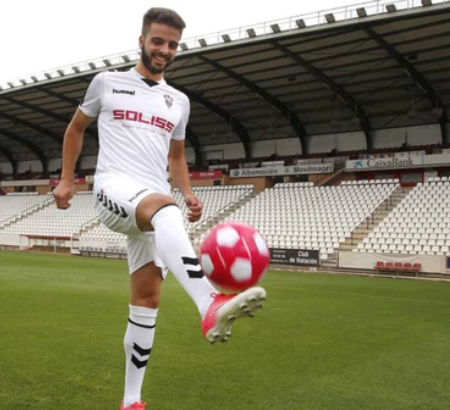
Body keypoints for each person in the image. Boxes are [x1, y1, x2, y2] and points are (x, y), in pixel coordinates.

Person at [52, 7, 267, 410]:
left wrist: (186, 192)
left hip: (155, 200)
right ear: (141, 40)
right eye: (158, 41)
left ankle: (131, 400)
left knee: (147, 300)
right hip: (113, 188)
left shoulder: (178, 101)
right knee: (164, 210)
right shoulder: (107, 83)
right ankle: (209, 303)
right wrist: (67, 179)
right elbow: (75, 128)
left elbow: (177, 156)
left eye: (172, 45)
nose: (164, 50)